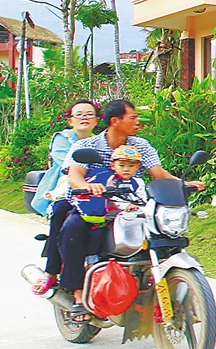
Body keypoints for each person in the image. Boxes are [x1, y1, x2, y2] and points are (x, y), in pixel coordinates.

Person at [57, 98, 204, 321]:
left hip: (133, 208)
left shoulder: (141, 145)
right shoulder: (85, 146)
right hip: (94, 207)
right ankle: (77, 294)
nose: (138, 122)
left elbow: (159, 174)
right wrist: (88, 186)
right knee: (73, 229)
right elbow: (74, 174)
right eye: (133, 117)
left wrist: (184, 183)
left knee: (162, 235)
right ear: (115, 121)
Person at [30, 100, 100, 296]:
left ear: (96, 120)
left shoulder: (100, 140)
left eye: (89, 114)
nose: (84, 118)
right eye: (79, 114)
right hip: (67, 189)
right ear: (71, 120)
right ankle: (51, 271)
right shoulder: (63, 138)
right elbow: (68, 164)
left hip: (97, 189)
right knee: (61, 211)